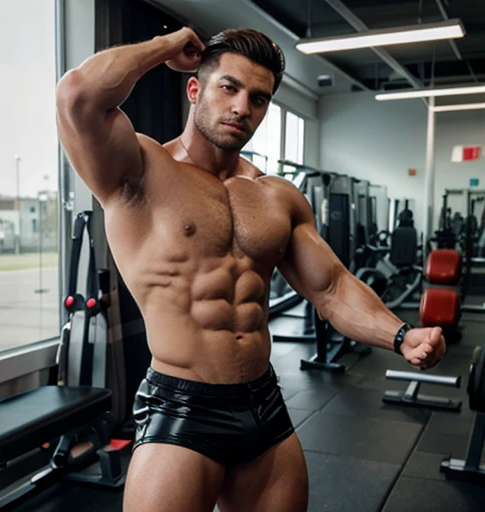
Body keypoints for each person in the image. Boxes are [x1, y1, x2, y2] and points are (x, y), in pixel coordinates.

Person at [56, 26, 446, 512]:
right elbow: (78, 96)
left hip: (264, 408)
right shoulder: (138, 169)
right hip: (182, 409)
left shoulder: (277, 196)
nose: (243, 107)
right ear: (194, 89)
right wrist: (164, 45)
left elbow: (331, 287)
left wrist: (400, 334)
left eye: (259, 98)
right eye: (229, 87)